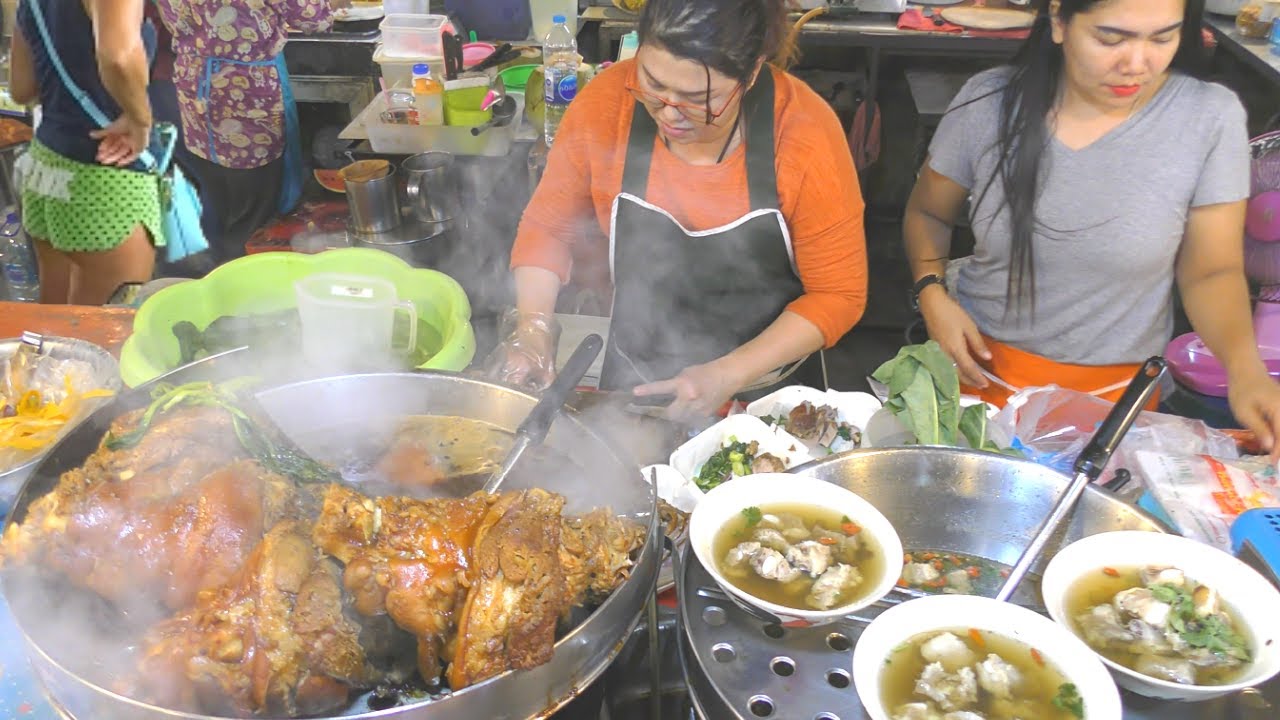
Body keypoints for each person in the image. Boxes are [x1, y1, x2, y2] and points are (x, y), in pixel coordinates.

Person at [905, 0, 1280, 451]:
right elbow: (927, 213)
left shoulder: (1209, 118)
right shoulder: (989, 103)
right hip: (976, 375)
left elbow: (1211, 270)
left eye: (1162, 37)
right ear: (1060, 20)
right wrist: (932, 290)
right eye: (1110, 37)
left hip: (1112, 403)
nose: (1136, 64)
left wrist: (1245, 372)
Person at [488, 0, 868, 418]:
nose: (668, 113)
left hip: (771, 397)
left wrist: (727, 374)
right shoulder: (605, 105)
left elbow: (839, 294)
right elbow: (548, 228)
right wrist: (534, 330)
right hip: (634, 383)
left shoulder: (804, 134)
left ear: (752, 72)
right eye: (652, 83)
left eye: (697, 99)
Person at [150, 0, 336, 263]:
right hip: (246, 92)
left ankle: (225, 272)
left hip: (195, 84)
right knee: (255, 214)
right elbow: (314, 17)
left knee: (222, 201)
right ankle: (245, 280)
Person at [9, 0, 159, 305]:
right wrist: (140, 120)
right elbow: (118, 56)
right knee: (107, 332)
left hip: (44, 166)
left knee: (54, 327)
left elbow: (21, 89)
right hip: (103, 179)